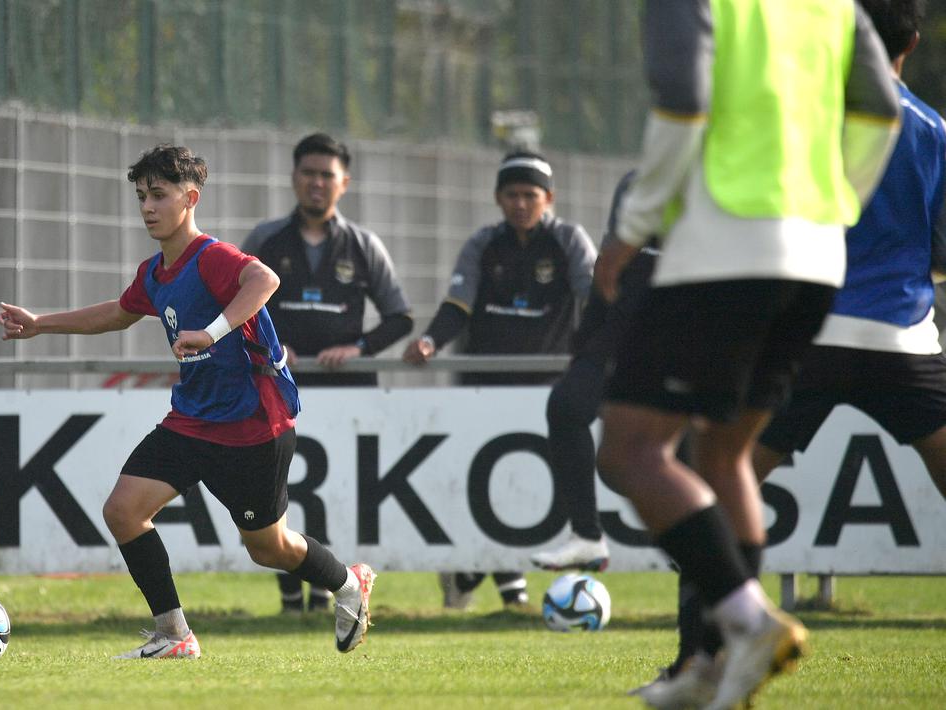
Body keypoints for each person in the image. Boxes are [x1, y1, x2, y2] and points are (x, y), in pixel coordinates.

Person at [634, 1, 943, 706]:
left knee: (707, 483)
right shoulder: (932, 131)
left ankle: (701, 660)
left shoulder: (790, 115)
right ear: (913, 43)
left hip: (803, 333)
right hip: (900, 339)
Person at [0, 144, 376, 659]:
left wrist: (213, 332)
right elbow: (117, 312)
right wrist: (41, 324)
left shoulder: (212, 257)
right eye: (141, 196)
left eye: (159, 195)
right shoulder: (155, 272)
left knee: (269, 548)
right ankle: (174, 634)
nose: (148, 207)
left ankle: (348, 581)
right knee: (123, 511)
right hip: (192, 420)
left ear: (190, 198)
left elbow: (265, 279)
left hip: (251, 425)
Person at [402, 150, 597, 609]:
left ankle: (470, 575)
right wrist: (431, 341)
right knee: (488, 487)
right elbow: (458, 304)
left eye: (530, 194)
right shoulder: (484, 245)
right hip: (482, 388)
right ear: (498, 198)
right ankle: (507, 589)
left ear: (548, 197)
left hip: (548, 389)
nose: (521, 203)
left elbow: (594, 295)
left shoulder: (569, 240)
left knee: (533, 488)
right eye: (512, 194)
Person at [242, 133, 413, 613]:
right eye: (309, 174)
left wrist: (357, 347)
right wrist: (272, 347)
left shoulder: (362, 245)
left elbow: (400, 317)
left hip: (349, 392)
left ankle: (326, 587)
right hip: (277, 391)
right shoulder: (265, 240)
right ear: (294, 179)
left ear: (344, 183)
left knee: (337, 488)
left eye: (327, 175)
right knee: (281, 488)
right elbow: (232, 306)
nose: (317, 183)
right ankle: (291, 596)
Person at [529, 170, 654, 573]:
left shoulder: (709, 186)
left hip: (677, 334)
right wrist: (585, 348)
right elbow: (607, 276)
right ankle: (586, 536)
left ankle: (702, 546)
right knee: (566, 406)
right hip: (617, 337)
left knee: (676, 451)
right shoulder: (636, 181)